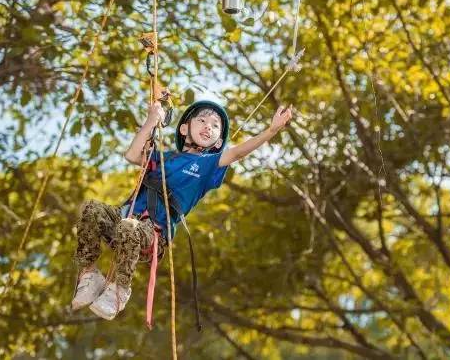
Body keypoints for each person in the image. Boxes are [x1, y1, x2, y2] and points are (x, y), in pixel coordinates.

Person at [70, 100, 293, 320]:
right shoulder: (163, 158)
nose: (208, 126)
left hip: (151, 232)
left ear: (217, 142)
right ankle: (89, 273)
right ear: (185, 128)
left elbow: (237, 153)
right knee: (92, 209)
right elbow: (131, 155)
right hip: (125, 217)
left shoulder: (210, 165)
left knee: (129, 228)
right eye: (203, 120)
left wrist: (271, 131)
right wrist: (152, 120)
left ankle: (119, 289)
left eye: (215, 126)